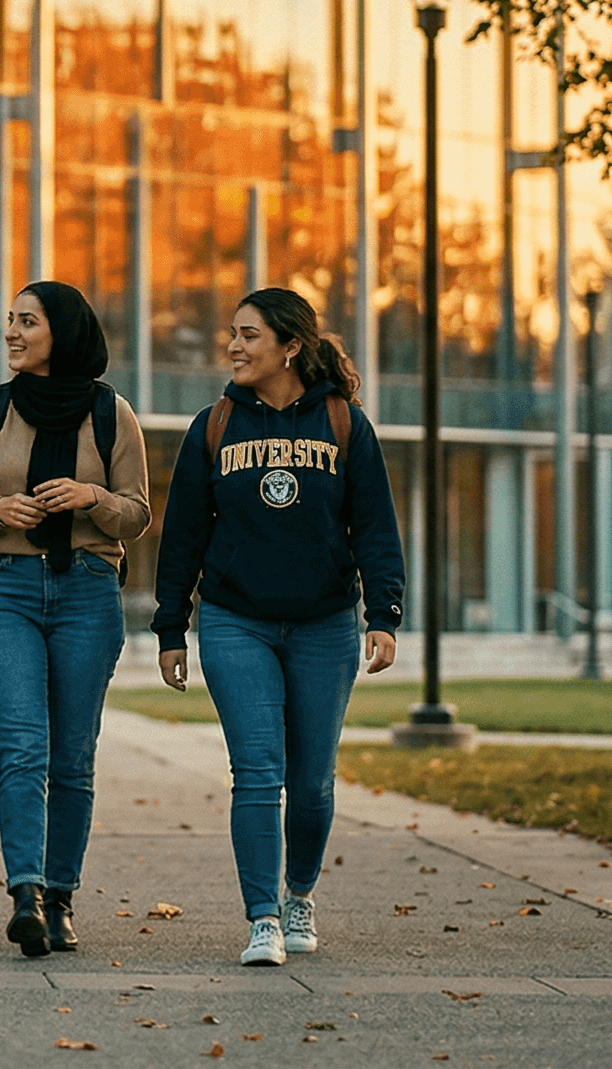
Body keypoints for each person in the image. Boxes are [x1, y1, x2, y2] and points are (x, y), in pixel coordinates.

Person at [151, 286, 404, 969]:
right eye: (232, 333)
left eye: (249, 335)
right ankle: (262, 915)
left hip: (324, 624)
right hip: (237, 622)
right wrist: (171, 627)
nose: (233, 346)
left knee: (314, 781)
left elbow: (376, 527)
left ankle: (299, 894)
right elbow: (181, 537)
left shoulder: (344, 423)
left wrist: (383, 614)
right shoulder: (215, 425)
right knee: (257, 773)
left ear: (290, 345)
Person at [0, 282, 151, 957]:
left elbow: (138, 513)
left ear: (60, 332)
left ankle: (62, 898)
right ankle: (26, 894)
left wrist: (91, 496)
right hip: (5, 590)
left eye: (26, 322)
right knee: (23, 748)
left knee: (72, 758)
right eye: (9, 320)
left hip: (88, 591)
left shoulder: (110, 412)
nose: (11, 332)